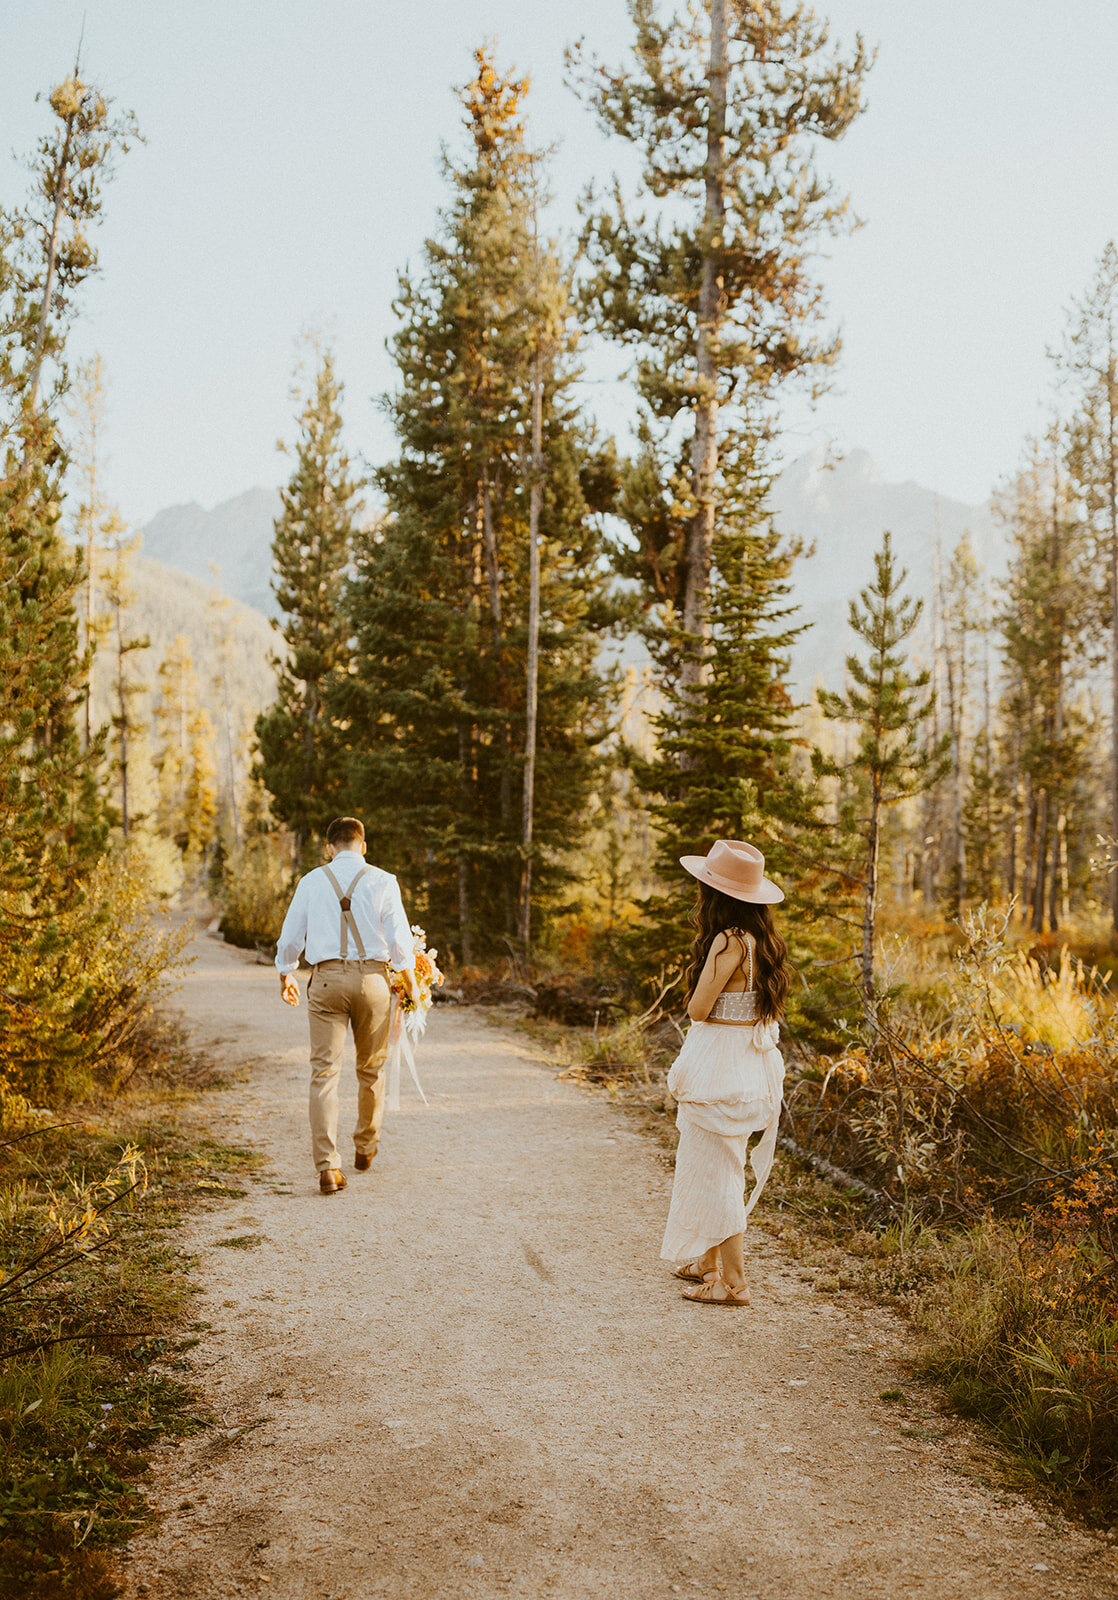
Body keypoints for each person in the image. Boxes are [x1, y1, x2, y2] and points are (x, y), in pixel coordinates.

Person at [661, 839, 789, 1307]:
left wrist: (700, 987)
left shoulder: (727, 940)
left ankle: (733, 1282)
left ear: (716, 894)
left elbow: (698, 1008)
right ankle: (706, 1261)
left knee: (717, 1172)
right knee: (714, 1163)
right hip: (747, 1064)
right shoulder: (763, 943)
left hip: (719, 1065)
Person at [275, 817, 420, 1194]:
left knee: (324, 1073)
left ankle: (327, 1166)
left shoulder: (310, 881)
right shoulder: (384, 881)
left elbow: (291, 936)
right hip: (373, 981)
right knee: (372, 1069)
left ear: (329, 847)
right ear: (363, 846)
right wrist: (410, 982)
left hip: (325, 980)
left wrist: (285, 973)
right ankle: (365, 1147)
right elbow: (400, 939)